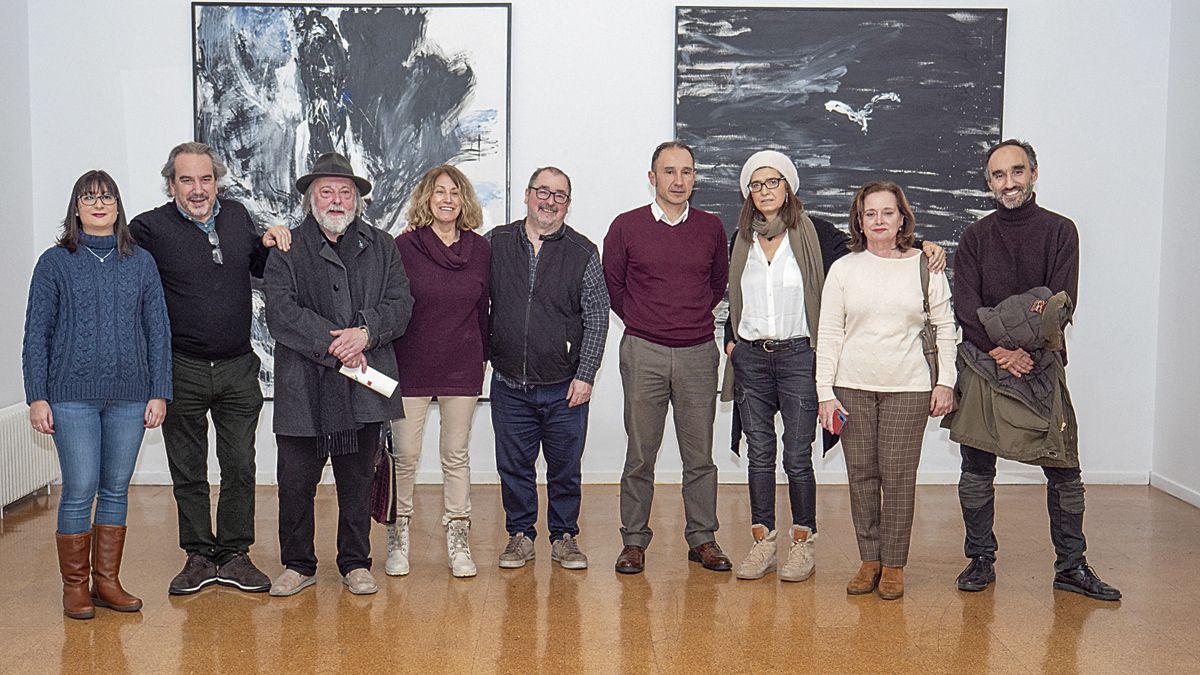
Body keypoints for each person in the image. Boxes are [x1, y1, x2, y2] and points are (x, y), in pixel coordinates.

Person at [723, 151, 947, 582]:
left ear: (789, 187)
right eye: (757, 184)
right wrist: (731, 343)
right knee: (759, 453)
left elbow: (877, 250)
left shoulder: (818, 234)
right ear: (748, 193)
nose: (766, 191)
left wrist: (924, 246)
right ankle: (763, 542)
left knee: (796, 455)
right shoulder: (740, 239)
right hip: (751, 357)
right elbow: (729, 295)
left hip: (798, 357)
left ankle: (803, 543)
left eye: (774, 182)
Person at [947, 139, 1120, 601]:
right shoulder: (974, 238)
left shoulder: (1062, 231)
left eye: (1017, 172)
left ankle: (1071, 566)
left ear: (1034, 173)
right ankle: (980, 558)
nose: (1009, 183)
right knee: (977, 466)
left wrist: (1012, 329)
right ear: (989, 183)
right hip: (986, 366)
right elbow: (966, 307)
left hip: (1043, 363)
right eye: (999, 175)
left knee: (1065, 469)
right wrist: (1003, 347)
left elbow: (1060, 305)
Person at [130, 142, 291, 595]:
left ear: (216, 181)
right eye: (187, 180)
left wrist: (273, 237)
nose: (198, 189)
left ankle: (236, 555)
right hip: (182, 367)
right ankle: (199, 555)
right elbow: (113, 262)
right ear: (171, 183)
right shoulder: (149, 228)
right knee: (189, 469)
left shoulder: (238, 216)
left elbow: (261, 265)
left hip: (240, 367)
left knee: (240, 465)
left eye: (205, 179)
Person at [23, 170, 173, 619]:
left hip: (130, 396)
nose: (99, 203)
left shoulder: (141, 262)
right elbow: (37, 333)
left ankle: (106, 581)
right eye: (89, 197)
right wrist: (37, 396)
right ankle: (75, 587)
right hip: (71, 397)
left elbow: (158, 330)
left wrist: (159, 391)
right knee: (80, 488)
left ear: (118, 206)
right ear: (76, 208)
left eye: (106, 196)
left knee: (114, 490)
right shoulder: (55, 262)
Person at [263, 152, 413, 596]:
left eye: (345, 191)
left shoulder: (383, 246)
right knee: (294, 483)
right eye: (326, 191)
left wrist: (364, 334)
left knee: (357, 480)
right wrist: (337, 345)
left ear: (358, 199)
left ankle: (355, 562)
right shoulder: (287, 247)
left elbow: (400, 306)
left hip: (363, 387)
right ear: (311, 198)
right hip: (302, 386)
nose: (335, 199)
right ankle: (298, 563)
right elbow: (281, 312)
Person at [815, 181, 957, 600]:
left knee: (897, 479)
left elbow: (946, 329)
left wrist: (945, 380)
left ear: (902, 218)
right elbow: (829, 332)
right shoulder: (844, 269)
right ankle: (869, 560)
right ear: (859, 221)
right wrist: (825, 391)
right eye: (870, 213)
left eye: (887, 213)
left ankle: (893, 565)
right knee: (861, 477)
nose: (879, 221)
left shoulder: (925, 267)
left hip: (908, 388)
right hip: (852, 387)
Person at [604, 141, 731, 574]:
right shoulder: (625, 227)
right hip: (644, 352)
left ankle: (702, 538)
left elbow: (717, 286)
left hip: (698, 353)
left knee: (700, 456)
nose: (679, 181)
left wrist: (686, 321)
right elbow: (614, 288)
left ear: (695, 177)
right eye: (669, 171)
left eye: (687, 172)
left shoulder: (712, 228)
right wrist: (647, 322)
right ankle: (634, 541)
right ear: (652, 177)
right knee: (641, 454)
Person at [488, 166, 609, 571]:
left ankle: (565, 537)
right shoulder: (496, 243)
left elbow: (597, 316)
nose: (550, 201)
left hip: (564, 387)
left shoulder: (583, 252)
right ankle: (520, 535)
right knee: (514, 468)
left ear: (568, 205)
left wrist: (586, 374)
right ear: (526, 195)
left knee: (565, 468)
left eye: (560, 195)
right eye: (543, 191)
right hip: (509, 385)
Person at [386, 165, 489, 579]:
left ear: (464, 201)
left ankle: (458, 538)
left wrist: (482, 359)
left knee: (455, 456)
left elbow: (484, 308)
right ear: (426, 199)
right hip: (410, 366)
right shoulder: (403, 247)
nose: (447, 199)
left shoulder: (481, 249)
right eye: (439, 192)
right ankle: (398, 536)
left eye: (455, 192)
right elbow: (393, 305)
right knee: (405, 457)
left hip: (462, 366)